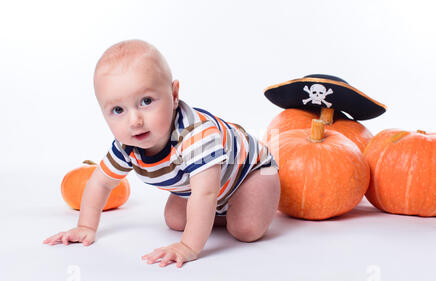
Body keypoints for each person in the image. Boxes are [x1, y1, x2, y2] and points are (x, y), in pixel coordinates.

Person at [43, 39, 280, 268]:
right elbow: (99, 183)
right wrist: (86, 226)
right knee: (175, 220)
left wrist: (188, 246)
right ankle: (221, 214)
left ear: (174, 94)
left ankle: (240, 209)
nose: (134, 121)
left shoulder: (195, 136)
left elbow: (206, 193)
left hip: (252, 173)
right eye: (118, 110)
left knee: (245, 229)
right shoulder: (127, 146)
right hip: (208, 188)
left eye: (146, 101)